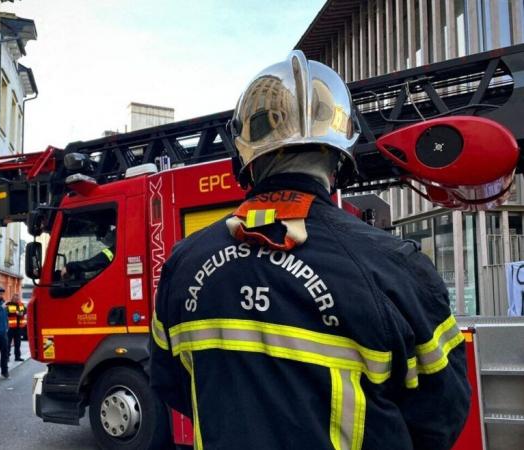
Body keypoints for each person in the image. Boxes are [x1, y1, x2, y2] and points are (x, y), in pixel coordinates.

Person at [149, 51, 470, 450]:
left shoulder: (182, 264)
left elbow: (171, 383)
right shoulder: (397, 269)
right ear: (340, 157)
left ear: (243, 154)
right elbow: (442, 415)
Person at [6, 293, 27, 362]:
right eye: (15, 298)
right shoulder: (8, 304)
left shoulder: (21, 304)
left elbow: (25, 310)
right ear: (12, 298)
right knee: (8, 343)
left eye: (18, 298)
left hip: (18, 327)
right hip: (10, 327)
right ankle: (7, 357)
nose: (17, 300)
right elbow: (7, 313)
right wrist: (16, 313)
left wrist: (22, 313)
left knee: (18, 343)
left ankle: (17, 357)